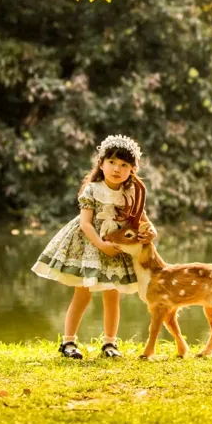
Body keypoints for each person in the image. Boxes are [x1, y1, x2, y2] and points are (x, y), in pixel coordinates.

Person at [32, 134, 156, 359]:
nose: (116, 169)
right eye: (111, 162)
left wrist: (150, 230)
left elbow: (142, 219)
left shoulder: (130, 192)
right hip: (91, 245)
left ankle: (110, 343)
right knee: (82, 293)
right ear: (101, 163)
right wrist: (101, 244)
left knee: (112, 294)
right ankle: (68, 342)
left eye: (124, 165)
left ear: (131, 170)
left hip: (116, 247)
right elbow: (86, 224)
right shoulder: (92, 189)